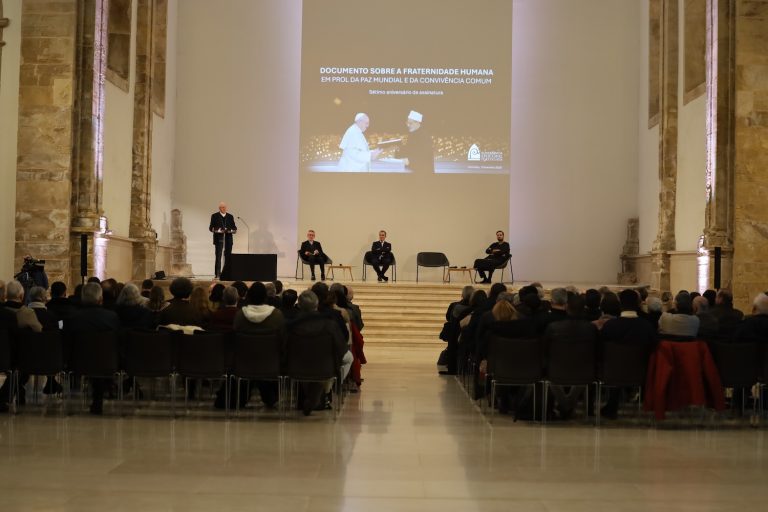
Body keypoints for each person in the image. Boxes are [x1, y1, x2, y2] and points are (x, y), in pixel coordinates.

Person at [66, 283, 121, 414]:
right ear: (100, 298)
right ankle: (100, 396)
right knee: (100, 358)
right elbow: (118, 340)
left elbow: (68, 341)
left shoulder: (74, 317)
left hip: (79, 363)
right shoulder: (112, 317)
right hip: (107, 363)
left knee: (92, 358)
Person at [208, 202, 237, 278]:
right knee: (218, 257)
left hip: (228, 239)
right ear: (219, 208)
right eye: (222, 207)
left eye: (225, 207)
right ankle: (217, 274)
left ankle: (227, 274)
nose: (224, 209)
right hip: (219, 239)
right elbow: (211, 228)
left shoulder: (230, 216)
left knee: (228, 257)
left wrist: (231, 230)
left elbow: (234, 228)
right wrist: (217, 230)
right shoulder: (214, 216)